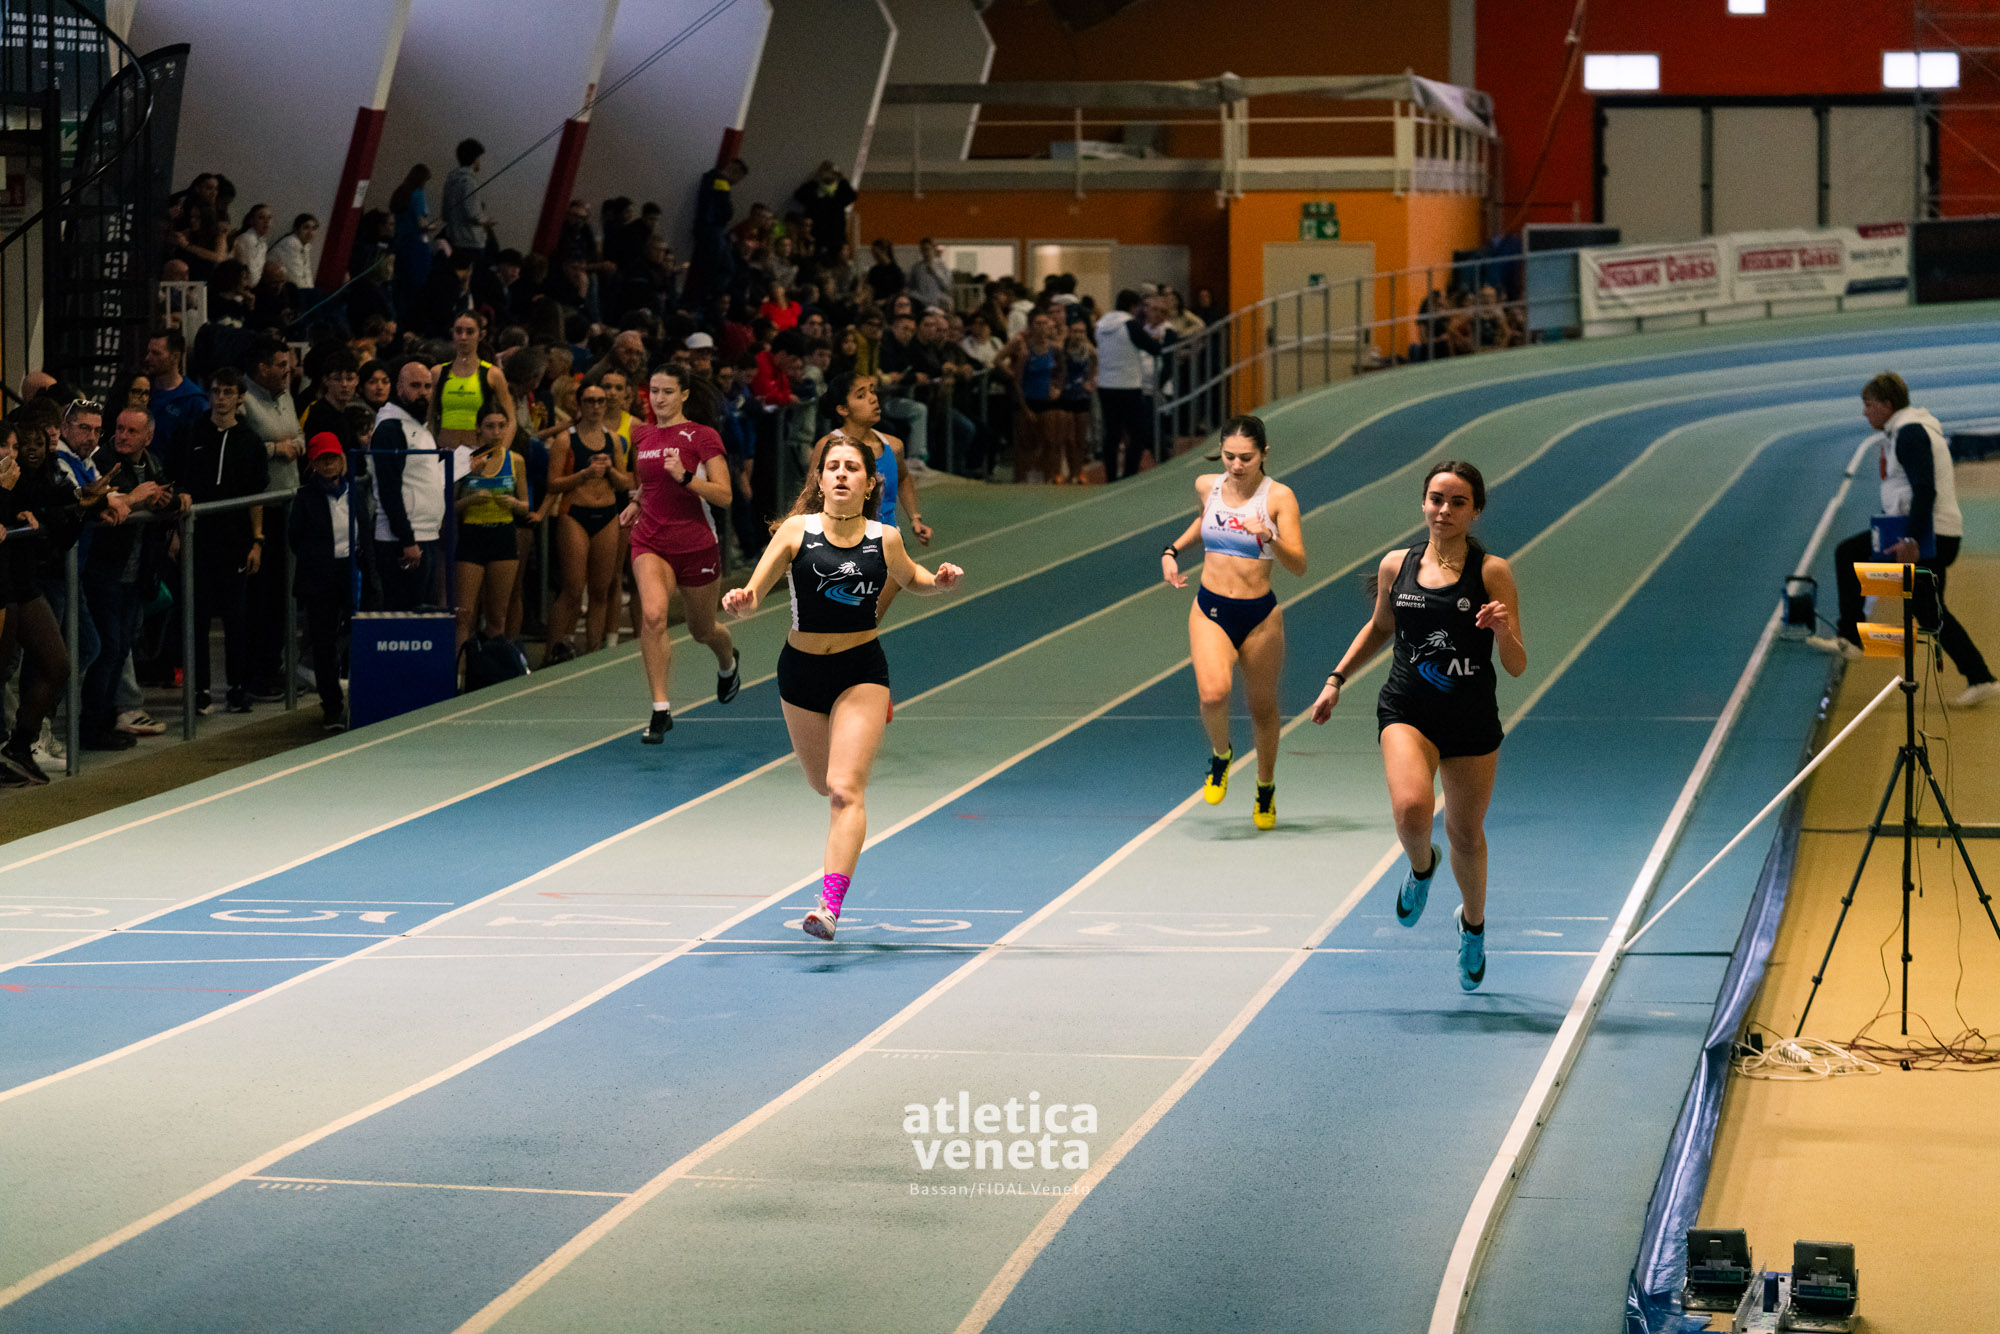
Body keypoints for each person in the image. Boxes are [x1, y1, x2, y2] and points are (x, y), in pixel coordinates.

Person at [721, 436, 964, 940]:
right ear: (820, 478)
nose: (840, 474)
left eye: (852, 467)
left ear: (869, 483)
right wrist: (741, 602)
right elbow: (755, 594)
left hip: (860, 671)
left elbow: (912, 577)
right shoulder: (797, 531)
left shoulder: (884, 538)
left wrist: (938, 582)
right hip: (801, 672)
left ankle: (828, 908)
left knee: (844, 789)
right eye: (832, 466)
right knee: (821, 783)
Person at [1310, 460, 1526, 991]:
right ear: (1424, 503)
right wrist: (1336, 679)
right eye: (1436, 499)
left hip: (1471, 718)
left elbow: (1517, 665)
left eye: (1457, 502)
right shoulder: (1396, 565)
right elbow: (1380, 627)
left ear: (1476, 511)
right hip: (1407, 708)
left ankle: (1472, 926)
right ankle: (1422, 867)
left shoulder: (1492, 572)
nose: (1444, 510)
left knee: (1466, 835)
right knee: (1412, 810)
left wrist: (1502, 631)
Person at [1808, 371, 1997, 707]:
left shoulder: (1910, 434)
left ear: (1887, 404)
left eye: (1868, 405)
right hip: (1931, 531)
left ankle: (1851, 638)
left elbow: (1925, 489)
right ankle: (1981, 678)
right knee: (1930, 612)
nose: (1865, 412)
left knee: (1849, 554)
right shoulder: (1906, 430)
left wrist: (1912, 539)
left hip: (1929, 534)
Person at [1159, 416, 1305, 831]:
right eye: (1229, 456)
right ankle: (1221, 755)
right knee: (1213, 694)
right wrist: (1172, 550)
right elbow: (1205, 522)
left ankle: (1265, 785)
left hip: (1259, 618)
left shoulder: (1279, 497)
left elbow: (1298, 564)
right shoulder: (1207, 486)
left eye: (1246, 457)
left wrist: (1269, 537)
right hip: (1210, 609)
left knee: (1262, 708)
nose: (1236, 465)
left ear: (1264, 454)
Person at [621, 365, 740, 742]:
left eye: (668, 392)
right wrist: (637, 502)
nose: (659, 399)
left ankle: (728, 661)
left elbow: (725, 495)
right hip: (650, 541)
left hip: (696, 544)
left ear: (684, 395)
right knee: (653, 616)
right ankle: (661, 710)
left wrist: (686, 478)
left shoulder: (703, 436)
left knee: (702, 630)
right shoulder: (642, 434)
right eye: (654, 391)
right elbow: (650, 481)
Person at [79, 408, 183, 750]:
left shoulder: (151, 463)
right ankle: (92, 725)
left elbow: (165, 492)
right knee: (107, 649)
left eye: (131, 431)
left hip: (136, 573)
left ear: (148, 437)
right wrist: (140, 499)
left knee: (122, 647)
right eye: (119, 429)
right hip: (105, 571)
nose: (122, 436)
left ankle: (107, 721)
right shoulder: (104, 462)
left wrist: (169, 500)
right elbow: (108, 503)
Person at [180, 368, 271, 715]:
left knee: (236, 618)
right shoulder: (194, 432)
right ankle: (200, 689)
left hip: (235, 540)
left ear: (240, 397)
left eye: (228, 392)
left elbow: (255, 494)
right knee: (198, 617)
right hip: (199, 538)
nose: (220, 398)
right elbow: (180, 482)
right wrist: (175, 534)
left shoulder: (250, 440)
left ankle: (236, 687)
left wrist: (257, 541)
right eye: (216, 391)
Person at [813, 372, 929, 623]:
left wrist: (915, 517)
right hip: (841, 551)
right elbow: (811, 498)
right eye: (861, 395)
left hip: (885, 550)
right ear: (843, 409)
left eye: (873, 392)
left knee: (861, 625)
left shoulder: (893, 446)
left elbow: (904, 479)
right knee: (841, 630)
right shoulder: (828, 447)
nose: (873, 399)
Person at [543, 378, 632, 662]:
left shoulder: (613, 440)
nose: (595, 406)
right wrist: (583, 474)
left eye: (600, 401)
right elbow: (553, 484)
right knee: (572, 589)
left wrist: (609, 471)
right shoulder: (565, 440)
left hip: (606, 514)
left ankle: (593, 654)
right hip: (575, 515)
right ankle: (551, 654)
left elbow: (625, 482)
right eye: (590, 401)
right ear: (580, 405)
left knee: (600, 590)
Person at [288, 433, 360, 729]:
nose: (329, 464)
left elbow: (365, 534)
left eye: (333, 458)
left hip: (351, 570)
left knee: (358, 637)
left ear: (342, 460)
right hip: (320, 578)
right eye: (323, 459)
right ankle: (332, 706)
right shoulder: (305, 497)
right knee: (324, 644)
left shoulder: (354, 491)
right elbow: (295, 538)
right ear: (313, 464)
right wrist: (318, 561)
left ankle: (362, 701)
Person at [452, 406, 530, 655]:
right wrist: (470, 500)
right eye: (489, 426)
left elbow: (526, 505)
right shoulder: (465, 460)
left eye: (501, 426)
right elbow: (449, 508)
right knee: (464, 614)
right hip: (472, 537)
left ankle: (492, 669)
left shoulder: (515, 460)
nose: (496, 432)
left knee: (497, 615)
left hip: (503, 537)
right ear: (478, 429)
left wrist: (514, 504)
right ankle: (459, 670)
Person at [370, 358, 447, 610]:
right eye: (415, 385)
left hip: (426, 534)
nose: (422, 392)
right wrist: (407, 539)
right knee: (405, 616)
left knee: (422, 615)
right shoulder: (391, 428)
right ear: (398, 388)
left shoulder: (418, 427)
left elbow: (425, 478)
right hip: (403, 540)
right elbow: (389, 489)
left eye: (427, 386)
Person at [1096, 289, 1179, 482]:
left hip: (1105, 384)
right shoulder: (1130, 325)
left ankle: (1111, 476)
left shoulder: (1101, 325)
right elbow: (1154, 349)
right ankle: (1129, 474)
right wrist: (1157, 340)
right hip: (1128, 385)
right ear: (1133, 307)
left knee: (1112, 433)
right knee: (1138, 432)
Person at [431, 313, 517, 461]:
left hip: (478, 457)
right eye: (458, 331)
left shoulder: (493, 374)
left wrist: (497, 456)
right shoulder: (437, 373)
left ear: (481, 335)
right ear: (452, 333)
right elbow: (429, 418)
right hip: (443, 455)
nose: (463, 337)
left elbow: (511, 420)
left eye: (470, 332)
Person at [442, 138, 496, 255]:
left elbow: (445, 214)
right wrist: (486, 220)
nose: (480, 162)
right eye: (479, 158)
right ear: (475, 158)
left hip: (453, 238)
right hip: (470, 241)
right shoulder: (470, 182)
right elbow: (472, 213)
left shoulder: (451, 179)